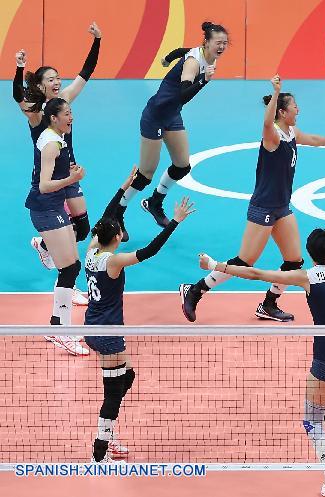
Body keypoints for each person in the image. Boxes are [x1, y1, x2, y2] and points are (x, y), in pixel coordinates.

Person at [198, 217, 325, 497]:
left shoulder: (306, 276)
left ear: (310, 253)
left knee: (311, 421)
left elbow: (258, 275)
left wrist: (214, 265)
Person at [180, 75, 325, 322]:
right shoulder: (272, 137)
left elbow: (312, 140)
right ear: (282, 112)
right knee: (245, 261)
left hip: (282, 206)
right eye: (294, 107)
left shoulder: (291, 132)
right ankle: (195, 290)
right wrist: (276, 92)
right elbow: (266, 122)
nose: (298, 110)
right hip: (263, 208)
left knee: (294, 261)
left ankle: (269, 304)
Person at [84, 169, 195, 462]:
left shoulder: (91, 250)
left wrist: (125, 186)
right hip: (107, 334)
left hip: (93, 328)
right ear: (118, 236)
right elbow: (150, 251)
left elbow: (107, 216)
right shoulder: (115, 261)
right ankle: (100, 449)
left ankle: (107, 434)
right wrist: (175, 222)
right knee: (112, 393)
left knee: (127, 376)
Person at [14, 23, 102, 311]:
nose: (56, 82)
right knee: (68, 254)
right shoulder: (36, 115)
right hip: (51, 179)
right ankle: (67, 278)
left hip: (70, 175)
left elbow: (85, 74)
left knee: (82, 226)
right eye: (49, 79)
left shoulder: (64, 103)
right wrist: (19, 68)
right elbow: (18, 96)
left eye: (57, 78)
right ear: (40, 86)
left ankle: (44, 245)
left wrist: (97, 41)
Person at [114, 22, 228, 241]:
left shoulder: (202, 54)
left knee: (182, 165)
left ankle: (154, 202)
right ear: (207, 42)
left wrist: (167, 59)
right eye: (218, 43)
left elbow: (179, 52)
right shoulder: (194, 63)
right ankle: (118, 213)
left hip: (172, 114)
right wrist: (203, 80)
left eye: (225, 43)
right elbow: (184, 94)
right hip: (156, 114)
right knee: (146, 174)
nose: (221, 47)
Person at [25, 98, 88, 355]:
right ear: (53, 118)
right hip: (45, 209)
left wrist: (69, 173)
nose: (70, 117)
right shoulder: (51, 143)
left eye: (71, 112)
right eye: (66, 114)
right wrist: (72, 178)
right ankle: (61, 329)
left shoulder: (57, 138)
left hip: (53, 207)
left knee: (72, 265)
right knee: (70, 267)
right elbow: (44, 185)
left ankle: (57, 326)